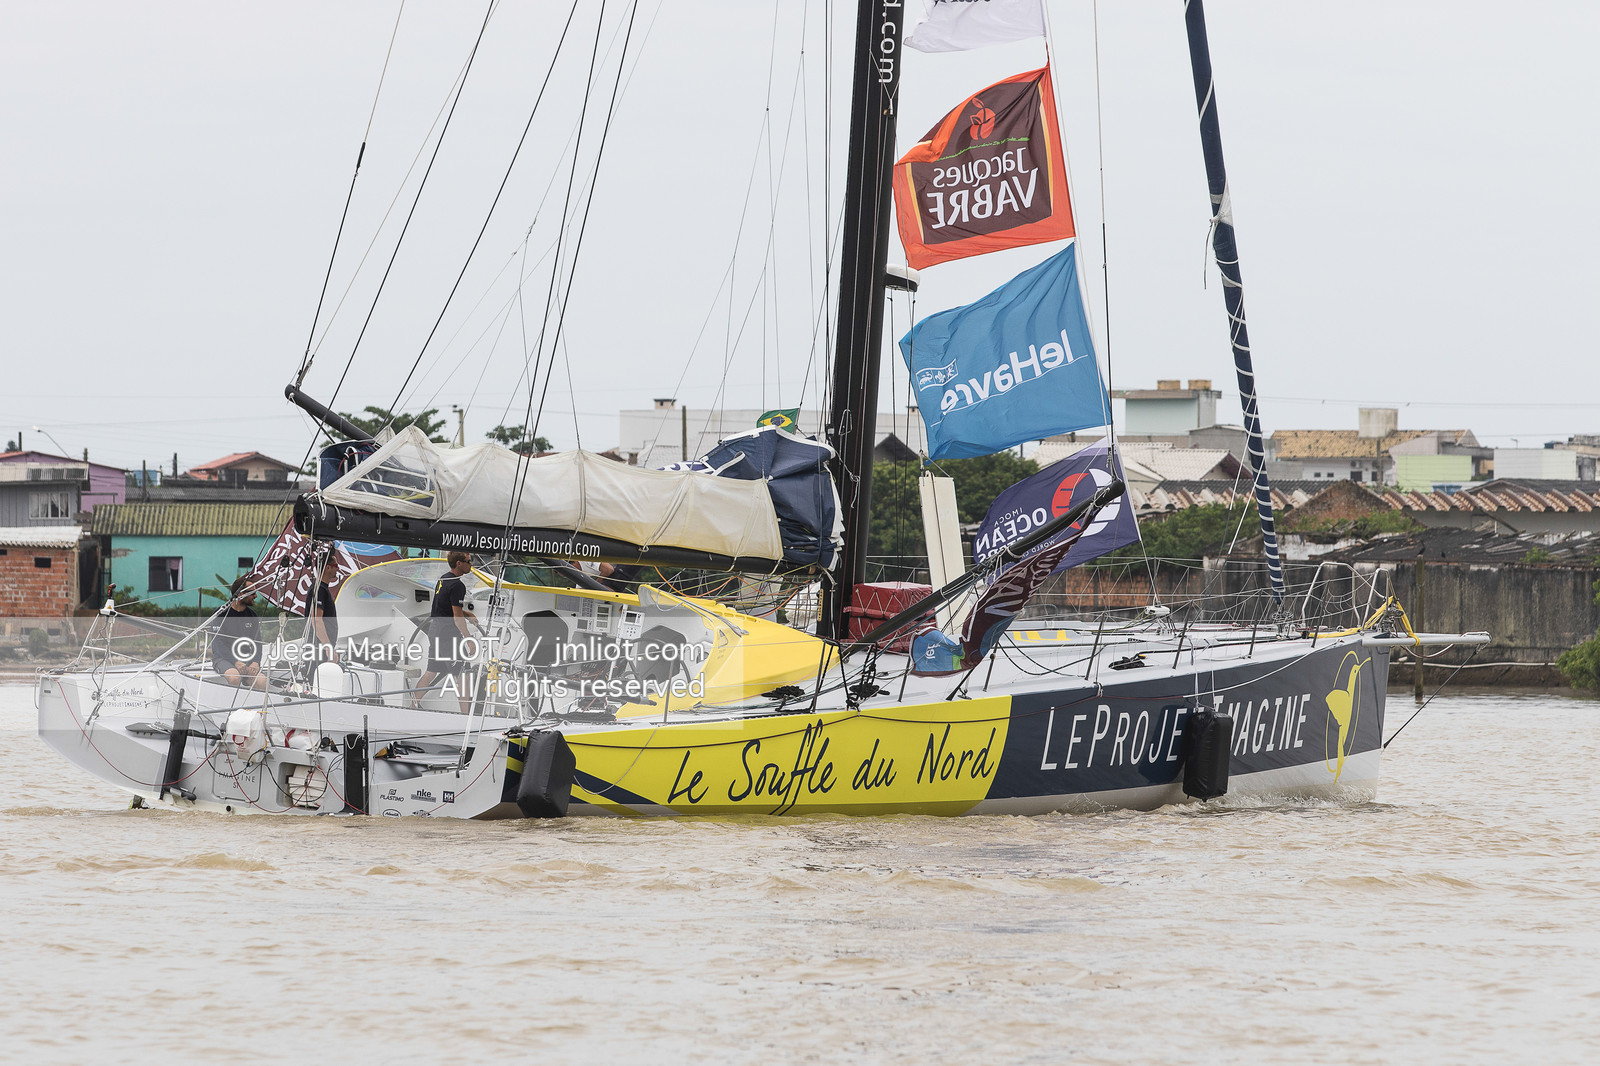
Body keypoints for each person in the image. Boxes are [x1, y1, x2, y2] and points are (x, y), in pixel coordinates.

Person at [413, 552, 477, 712]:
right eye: (469, 561)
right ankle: (465, 716)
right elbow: (456, 617)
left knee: (432, 671)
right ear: (459, 563)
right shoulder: (458, 585)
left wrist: (468, 614)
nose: (471, 564)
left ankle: (412, 706)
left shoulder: (443, 578)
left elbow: (446, 608)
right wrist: (469, 639)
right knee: (464, 673)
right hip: (448, 634)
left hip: (435, 630)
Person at [214, 576, 267, 690]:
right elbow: (217, 643)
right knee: (234, 678)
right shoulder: (221, 613)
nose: (256, 596)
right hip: (224, 659)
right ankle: (230, 707)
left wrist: (256, 662)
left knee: (261, 680)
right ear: (240, 594)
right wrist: (235, 662)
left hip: (247, 659)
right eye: (252, 592)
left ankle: (256, 708)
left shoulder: (252, 615)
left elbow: (257, 642)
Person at [308, 554, 340, 663]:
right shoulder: (319, 589)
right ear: (328, 567)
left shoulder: (322, 588)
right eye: (336, 565)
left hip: (321, 649)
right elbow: (316, 620)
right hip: (319, 650)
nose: (338, 568)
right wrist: (328, 647)